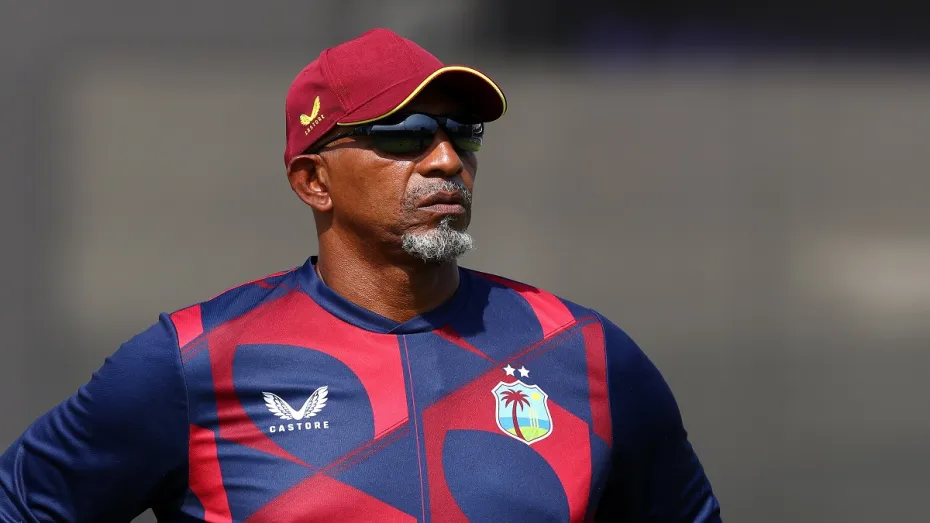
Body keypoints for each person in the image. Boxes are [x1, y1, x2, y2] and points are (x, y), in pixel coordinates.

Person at [0, 28, 721, 522]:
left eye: (462, 132)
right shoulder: (190, 362)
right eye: (404, 135)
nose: (446, 159)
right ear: (313, 181)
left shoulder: (586, 353)